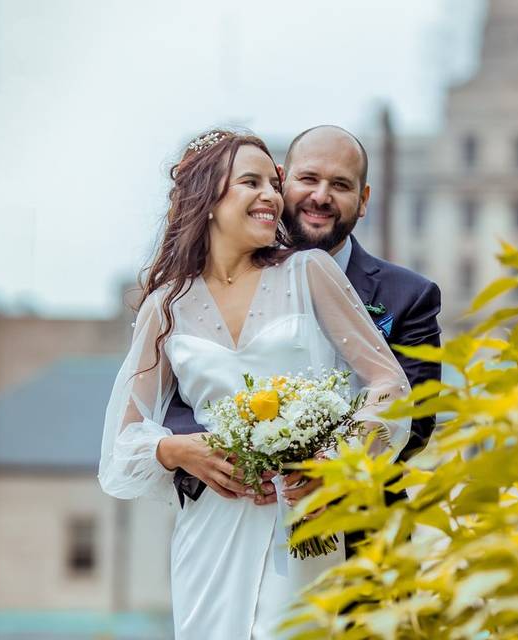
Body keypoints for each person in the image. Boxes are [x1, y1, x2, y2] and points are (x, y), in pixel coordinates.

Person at [98, 130, 412, 639]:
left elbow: (389, 384)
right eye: (251, 182)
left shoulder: (308, 272)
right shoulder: (167, 306)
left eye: (274, 181)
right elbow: (124, 445)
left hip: (301, 517)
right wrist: (178, 449)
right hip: (210, 529)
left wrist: (335, 459)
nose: (271, 195)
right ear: (207, 199)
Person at [162, 126, 442, 541]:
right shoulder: (203, 290)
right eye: (308, 179)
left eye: (341, 185)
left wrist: (337, 467)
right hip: (231, 523)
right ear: (282, 181)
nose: (321, 196)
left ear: (363, 201)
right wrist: (196, 449)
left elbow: (414, 415)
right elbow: (171, 396)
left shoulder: (410, 295)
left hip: (362, 538)